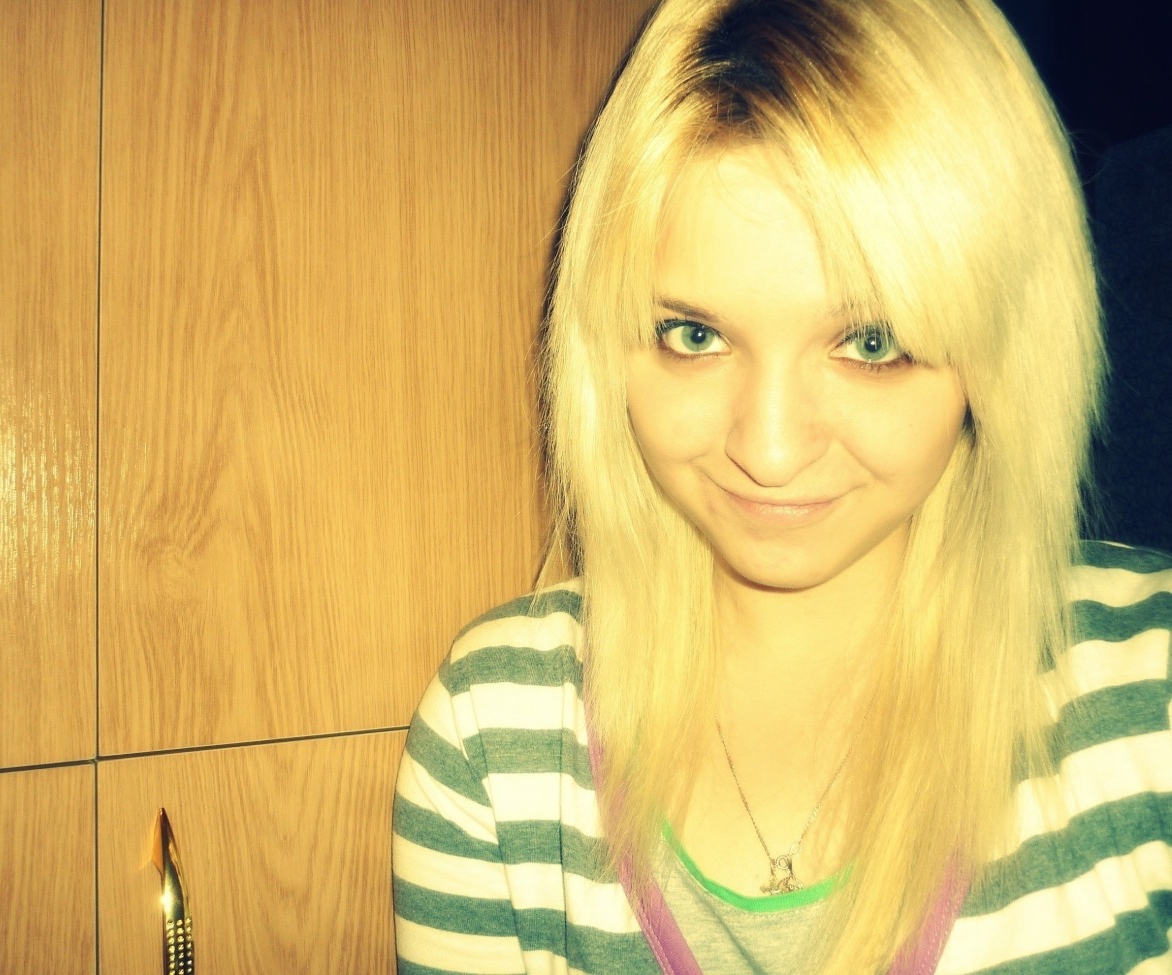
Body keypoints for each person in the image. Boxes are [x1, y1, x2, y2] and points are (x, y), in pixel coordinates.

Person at [392, 0, 1172, 971]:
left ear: (1000, 347)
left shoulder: (1149, 700)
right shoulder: (496, 735)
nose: (766, 450)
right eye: (694, 335)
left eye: (870, 342)